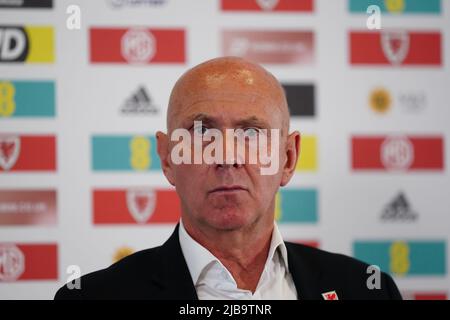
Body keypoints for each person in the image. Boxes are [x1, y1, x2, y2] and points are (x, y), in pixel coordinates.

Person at [55, 57, 402, 300]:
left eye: (251, 133)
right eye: (202, 132)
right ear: (167, 158)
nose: (226, 156)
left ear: (288, 157)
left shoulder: (367, 290)